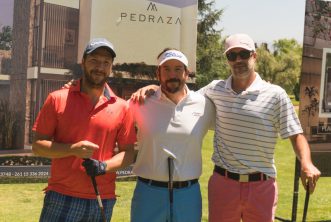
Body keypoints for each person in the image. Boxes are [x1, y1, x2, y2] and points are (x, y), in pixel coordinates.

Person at [131, 34, 321, 222]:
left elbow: (296, 135)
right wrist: (153, 88)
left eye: (243, 54)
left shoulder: (276, 94)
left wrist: (307, 163)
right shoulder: (214, 91)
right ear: (227, 60)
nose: (238, 60)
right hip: (224, 184)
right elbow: (180, 95)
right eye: (232, 55)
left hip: (261, 185)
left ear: (254, 56)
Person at [32, 38, 136, 222]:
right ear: (83, 63)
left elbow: (128, 153)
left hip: (103, 197)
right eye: (94, 60)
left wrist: (104, 166)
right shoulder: (57, 98)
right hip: (62, 195)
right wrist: (71, 149)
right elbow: (38, 146)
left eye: (106, 62)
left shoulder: (122, 107)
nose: (100, 67)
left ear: (111, 67)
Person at [129, 48, 215, 222]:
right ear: (158, 73)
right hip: (148, 193)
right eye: (166, 69)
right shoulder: (140, 102)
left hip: (188, 195)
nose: (172, 74)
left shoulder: (204, 105)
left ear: (187, 73)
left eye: (178, 69)